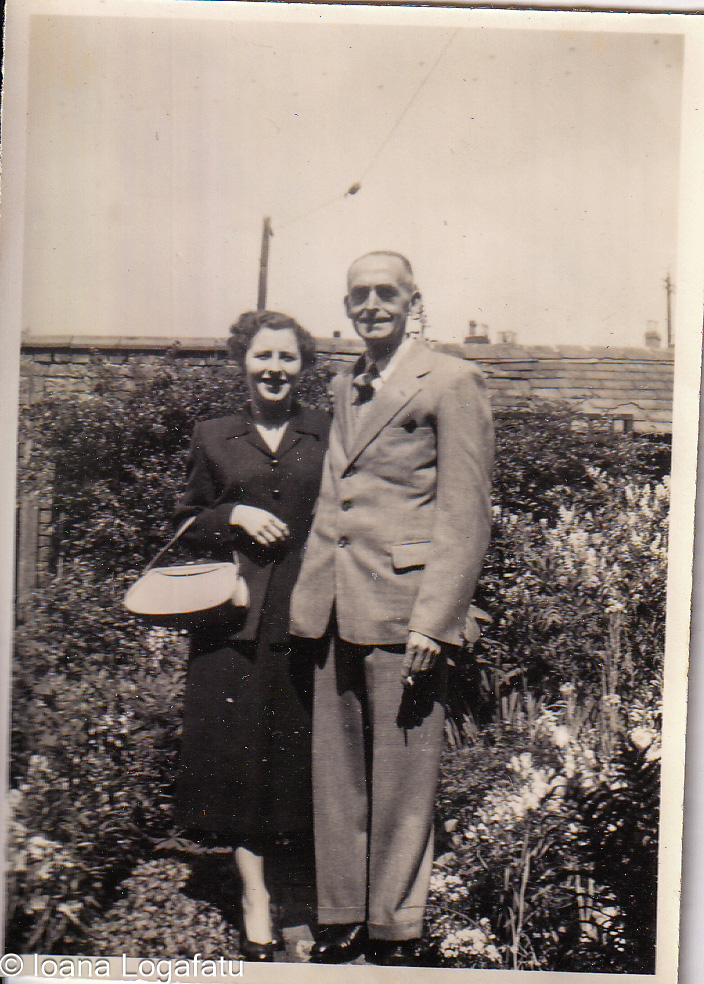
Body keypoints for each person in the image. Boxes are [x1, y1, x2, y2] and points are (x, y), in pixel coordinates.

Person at [290, 251, 494, 965]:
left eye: (386, 292)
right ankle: (342, 915)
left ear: (413, 299)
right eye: (359, 295)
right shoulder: (348, 382)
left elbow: (465, 513)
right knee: (337, 775)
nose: (372, 304)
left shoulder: (452, 379)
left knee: (404, 775)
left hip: (407, 609)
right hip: (336, 604)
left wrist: (434, 621)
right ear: (346, 307)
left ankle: (396, 926)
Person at [173, 311, 330, 962]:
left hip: (307, 619)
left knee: (297, 760)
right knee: (241, 764)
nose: (274, 369)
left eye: (287, 358)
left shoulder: (325, 431)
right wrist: (231, 513)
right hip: (231, 625)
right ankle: (255, 900)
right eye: (263, 356)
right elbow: (183, 522)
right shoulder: (213, 436)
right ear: (243, 360)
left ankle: (299, 896)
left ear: (302, 366)